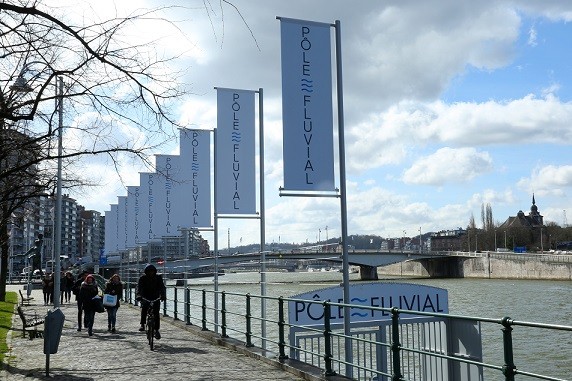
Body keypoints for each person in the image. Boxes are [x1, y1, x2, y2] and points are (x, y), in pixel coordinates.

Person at [136, 264, 166, 339]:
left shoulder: (158, 278)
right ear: (146, 272)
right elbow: (139, 288)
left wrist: (163, 295)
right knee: (144, 309)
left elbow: (162, 287)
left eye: (152, 271)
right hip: (146, 297)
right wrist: (139, 295)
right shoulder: (142, 278)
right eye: (149, 271)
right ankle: (142, 324)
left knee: (156, 313)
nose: (151, 273)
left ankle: (156, 330)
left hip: (155, 297)